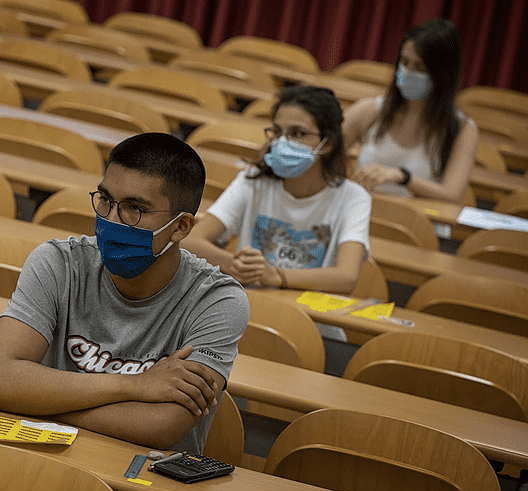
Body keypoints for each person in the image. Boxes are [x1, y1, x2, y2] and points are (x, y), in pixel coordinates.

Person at [0, 132, 250, 455]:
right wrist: (134, 385)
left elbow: (162, 427)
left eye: (134, 209)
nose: (110, 219)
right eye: (105, 200)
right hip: (45, 462)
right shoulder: (59, 263)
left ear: (180, 227)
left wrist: (37, 402)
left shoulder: (217, 300)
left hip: (142, 484)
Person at [183, 85, 371, 295]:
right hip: (249, 302)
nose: (283, 142)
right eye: (278, 132)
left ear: (327, 143)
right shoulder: (253, 180)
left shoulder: (353, 197)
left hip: (309, 312)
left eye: (297, 133)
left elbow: (346, 277)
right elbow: (190, 240)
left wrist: (276, 275)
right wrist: (233, 264)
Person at [343, 18, 478, 203]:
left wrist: (403, 177)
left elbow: (451, 195)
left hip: (419, 217)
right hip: (364, 212)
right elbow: (323, 150)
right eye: (404, 62)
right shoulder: (370, 110)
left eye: (419, 67)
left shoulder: (463, 128)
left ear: (443, 74)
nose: (408, 72)